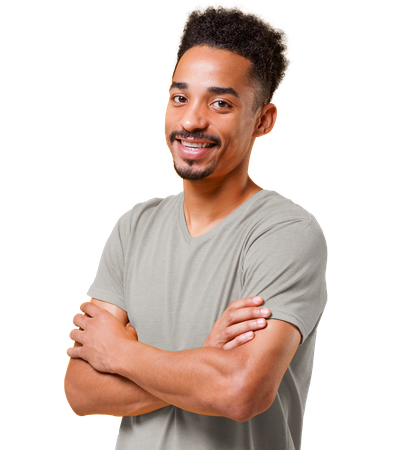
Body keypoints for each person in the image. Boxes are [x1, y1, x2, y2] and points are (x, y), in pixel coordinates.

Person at [63, 3, 329, 449]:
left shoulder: (286, 233)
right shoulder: (134, 226)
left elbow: (240, 391)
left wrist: (120, 353)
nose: (191, 121)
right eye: (180, 98)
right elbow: (80, 390)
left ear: (263, 120)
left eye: (220, 103)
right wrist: (203, 364)